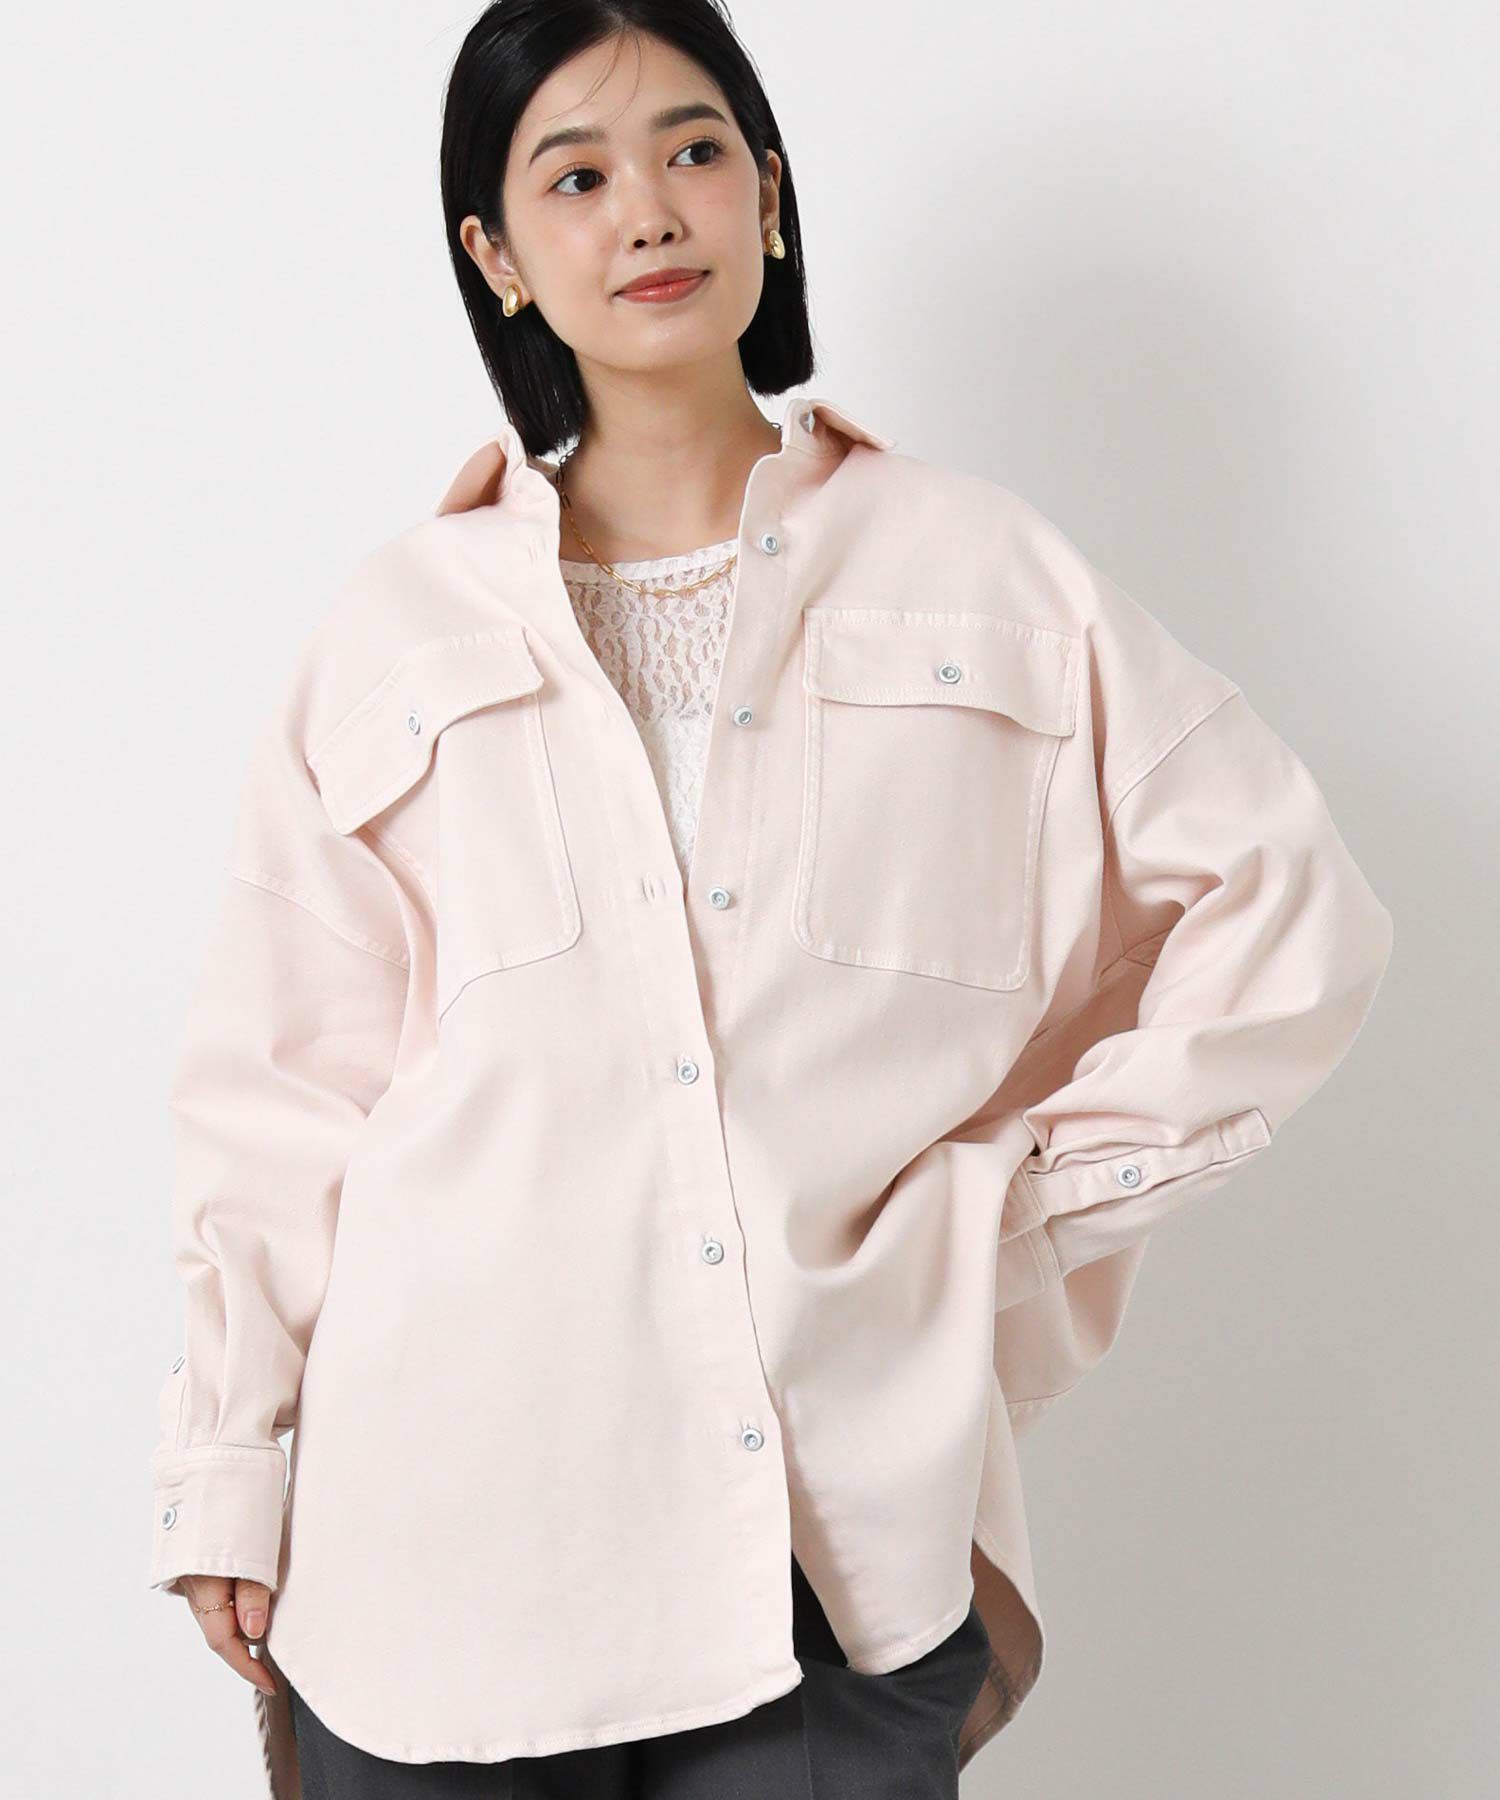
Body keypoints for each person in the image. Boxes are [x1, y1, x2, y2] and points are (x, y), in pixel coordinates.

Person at [146, 4, 1396, 1797]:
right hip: (432, 1558)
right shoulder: (396, 631)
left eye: (694, 149)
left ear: (770, 193)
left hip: (826, 1562)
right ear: (496, 256)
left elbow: (1285, 909)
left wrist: (1004, 1221)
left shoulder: (983, 572)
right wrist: (231, 1464)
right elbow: (279, 1100)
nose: (649, 210)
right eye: (576, 177)